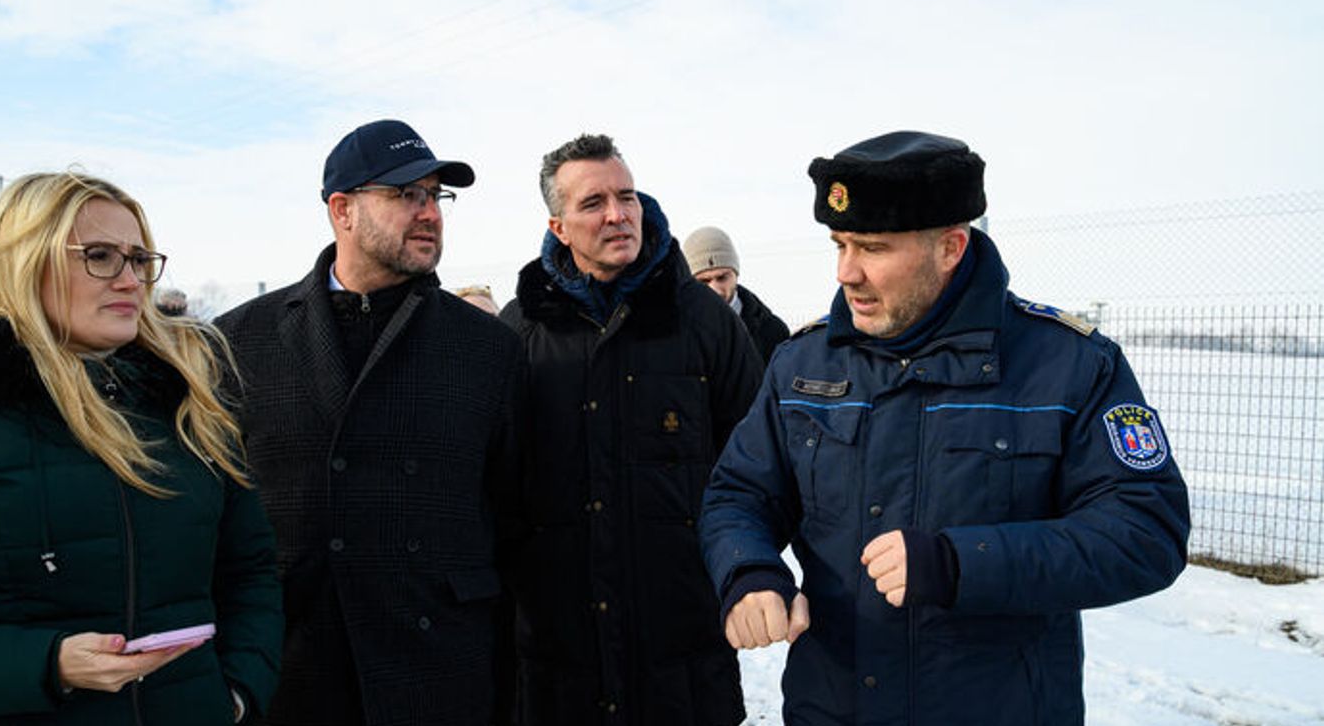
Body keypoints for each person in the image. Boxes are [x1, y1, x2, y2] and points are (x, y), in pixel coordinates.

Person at [698, 131, 1191, 725]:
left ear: (951, 247)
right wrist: (748, 570)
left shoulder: (1070, 365)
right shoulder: (802, 363)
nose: (845, 272)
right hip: (832, 709)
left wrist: (963, 563)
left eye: (872, 249)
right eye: (839, 243)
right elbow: (739, 493)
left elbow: (1145, 529)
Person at [215, 120, 523, 726]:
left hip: (438, 673)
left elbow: (515, 520)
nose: (429, 212)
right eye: (405, 195)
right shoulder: (239, 340)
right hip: (290, 670)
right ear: (342, 209)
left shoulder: (489, 349)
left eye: (435, 195)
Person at [0, 172, 282, 724]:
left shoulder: (190, 404)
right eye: (99, 256)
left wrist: (237, 694)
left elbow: (250, 570)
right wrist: (45, 664)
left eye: (139, 260)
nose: (129, 280)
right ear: (26, 261)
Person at [498, 134, 763, 726]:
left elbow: (755, 467)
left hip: (681, 652)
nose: (618, 214)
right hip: (559, 662)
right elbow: (499, 492)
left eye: (627, 196)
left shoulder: (705, 323)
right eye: (593, 203)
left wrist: (743, 569)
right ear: (559, 226)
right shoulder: (522, 333)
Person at [683, 226, 790, 364]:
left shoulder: (772, 331)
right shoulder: (670, 333)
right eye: (704, 281)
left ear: (736, 274)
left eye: (722, 278)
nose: (715, 289)